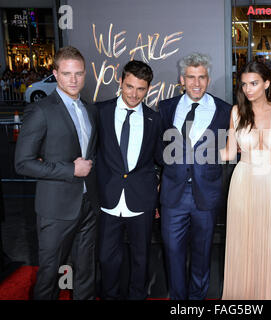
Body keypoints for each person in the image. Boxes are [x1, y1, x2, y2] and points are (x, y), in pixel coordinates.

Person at [15, 46, 98, 300]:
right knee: (49, 276)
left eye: (79, 73)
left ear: (85, 74)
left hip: (88, 205)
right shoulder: (41, 110)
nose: (73, 79)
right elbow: (22, 163)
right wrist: (69, 169)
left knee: (86, 272)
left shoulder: (89, 108)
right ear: (55, 74)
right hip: (55, 209)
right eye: (66, 73)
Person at [158, 53, 231, 300]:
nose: (196, 83)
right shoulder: (166, 108)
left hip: (206, 195)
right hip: (173, 194)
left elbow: (230, 151)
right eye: (191, 77)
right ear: (182, 79)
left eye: (201, 77)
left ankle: (197, 301)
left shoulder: (224, 111)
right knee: (173, 253)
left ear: (208, 79)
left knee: (202, 253)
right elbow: (158, 149)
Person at [220, 61, 271, 300]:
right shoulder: (236, 112)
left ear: (267, 83)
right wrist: (194, 148)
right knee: (245, 249)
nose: (248, 89)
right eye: (244, 84)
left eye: (254, 83)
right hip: (243, 182)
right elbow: (229, 154)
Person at [95, 60, 163, 300]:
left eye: (141, 89)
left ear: (148, 89)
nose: (134, 94)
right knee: (106, 257)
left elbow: (160, 159)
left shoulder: (155, 119)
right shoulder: (100, 112)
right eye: (130, 86)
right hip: (107, 197)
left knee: (141, 258)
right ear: (120, 82)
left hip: (141, 198)